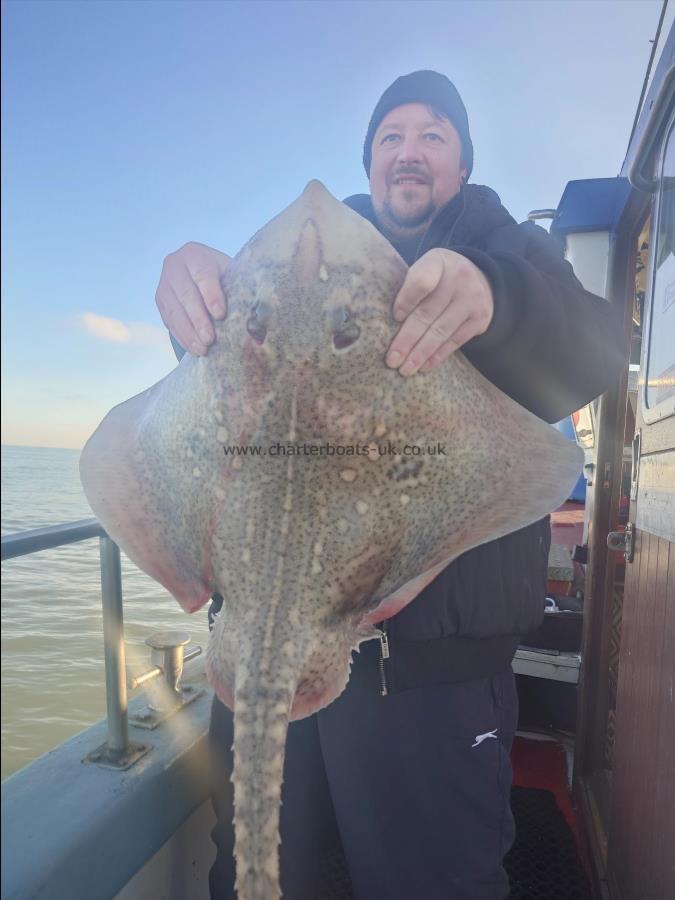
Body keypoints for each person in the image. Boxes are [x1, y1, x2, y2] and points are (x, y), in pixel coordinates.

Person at [156, 71, 625, 900]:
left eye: (432, 134)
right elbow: (210, 410)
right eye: (390, 136)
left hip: (428, 685)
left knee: (433, 881)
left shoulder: (509, 246)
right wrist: (193, 298)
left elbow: (594, 348)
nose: (408, 150)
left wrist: (496, 297)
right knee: (263, 872)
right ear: (370, 161)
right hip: (268, 641)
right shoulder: (309, 262)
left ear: (463, 162)